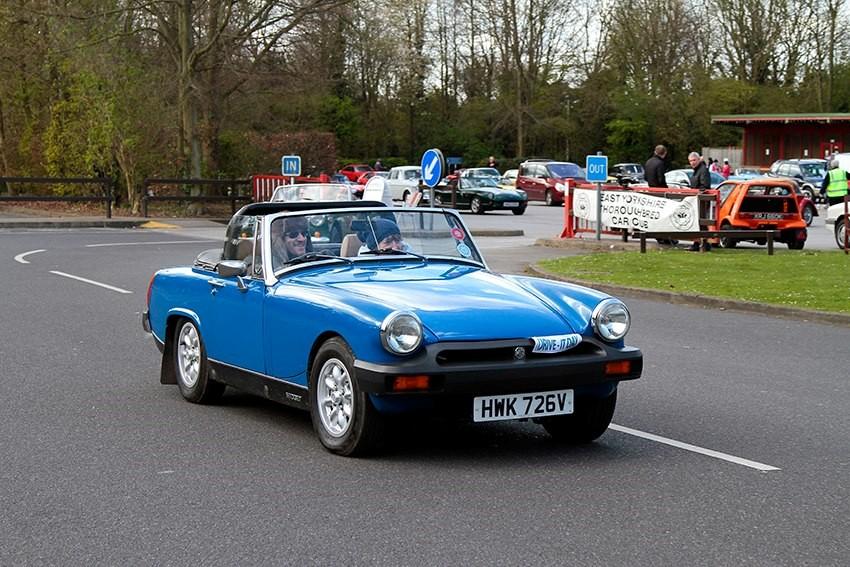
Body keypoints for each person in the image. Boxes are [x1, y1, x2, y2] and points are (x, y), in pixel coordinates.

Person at [688, 151, 712, 251]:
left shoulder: (702, 170)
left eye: (694, 160)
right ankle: (698, 243)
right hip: (696, 199)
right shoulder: (697, 170)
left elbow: (704, 186)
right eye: (690, 161)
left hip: (702, 200)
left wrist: (696, 193)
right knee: (698, 222)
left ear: (698, 160)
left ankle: (703, 243)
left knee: (701, 222)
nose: (692, 162)